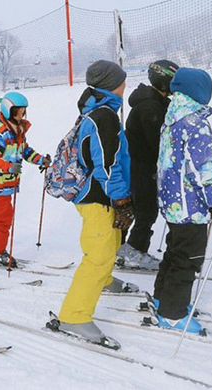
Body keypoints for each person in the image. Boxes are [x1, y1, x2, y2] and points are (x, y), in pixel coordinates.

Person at [55, 60, 136, 345]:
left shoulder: (100, 111)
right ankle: (74, 316)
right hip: (97, 197)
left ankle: (104, 279)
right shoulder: (104, 116)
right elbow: (107, 165)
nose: (126, 85)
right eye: (122, 81)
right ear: (113, 84)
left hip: (101, 196)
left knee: (111, 242)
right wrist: (121, 198)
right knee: (98, 254)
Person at [153, 68, 212, 333]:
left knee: (174, 251)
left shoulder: (172, 118)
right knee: (187, 258)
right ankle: (173, 313)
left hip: (173, 202)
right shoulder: (196, 123)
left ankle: (163, 299)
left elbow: (180, 161)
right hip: (191, 207)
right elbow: (204, 167)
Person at [0, 91, 51, 267]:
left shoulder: (17, 130)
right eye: (18, 111)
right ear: (8, 111)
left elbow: (24, 151)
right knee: (4, 216)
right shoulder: (0, 133)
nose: (21, 114)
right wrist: (8, 167)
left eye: (23, 111)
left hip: (7, 182)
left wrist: (41, 160)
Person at [118, 60, 179, 271]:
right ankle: (134, 250)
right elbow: (158, 143)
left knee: (139, 208)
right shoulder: (150, 106)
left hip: (142, 165)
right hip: (141, 166)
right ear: (164, 82)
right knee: (146, 209)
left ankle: (122, 249)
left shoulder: (157, 102)